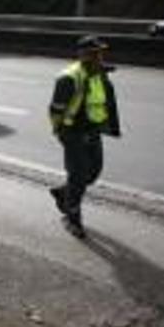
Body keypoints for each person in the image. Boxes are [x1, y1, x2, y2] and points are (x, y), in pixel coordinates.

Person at [48, 35, 121, 238]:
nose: (100, 56)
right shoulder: (69, 78)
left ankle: (64, 193)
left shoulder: (98, 73)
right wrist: (59, 130)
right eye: (94, 53)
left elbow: (104, 100)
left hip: (93, 131)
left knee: (93, 173)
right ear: (83, 55)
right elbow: (55, 109)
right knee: (78, 177)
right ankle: (72, 218)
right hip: (72, 133)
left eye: (100, 53)